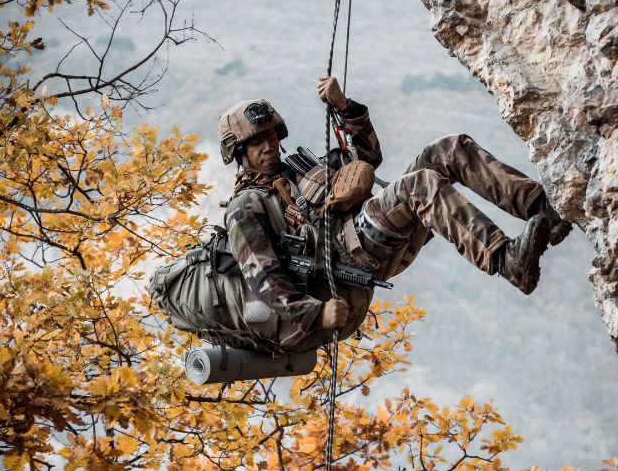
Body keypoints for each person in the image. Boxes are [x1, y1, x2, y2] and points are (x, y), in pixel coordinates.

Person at [216, 76, 573, 349]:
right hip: (349, 257)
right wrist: (315, 313)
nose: (269, 146)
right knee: (419, 184)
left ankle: (543, 211)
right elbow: (263, 277)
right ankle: (508, 262)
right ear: (239, 151)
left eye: (272, 137)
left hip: (370, 232)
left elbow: (368, 160)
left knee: (450, 149)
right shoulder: (247, 206)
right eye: (257, 142)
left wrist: (344, 107)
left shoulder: (298, 167)